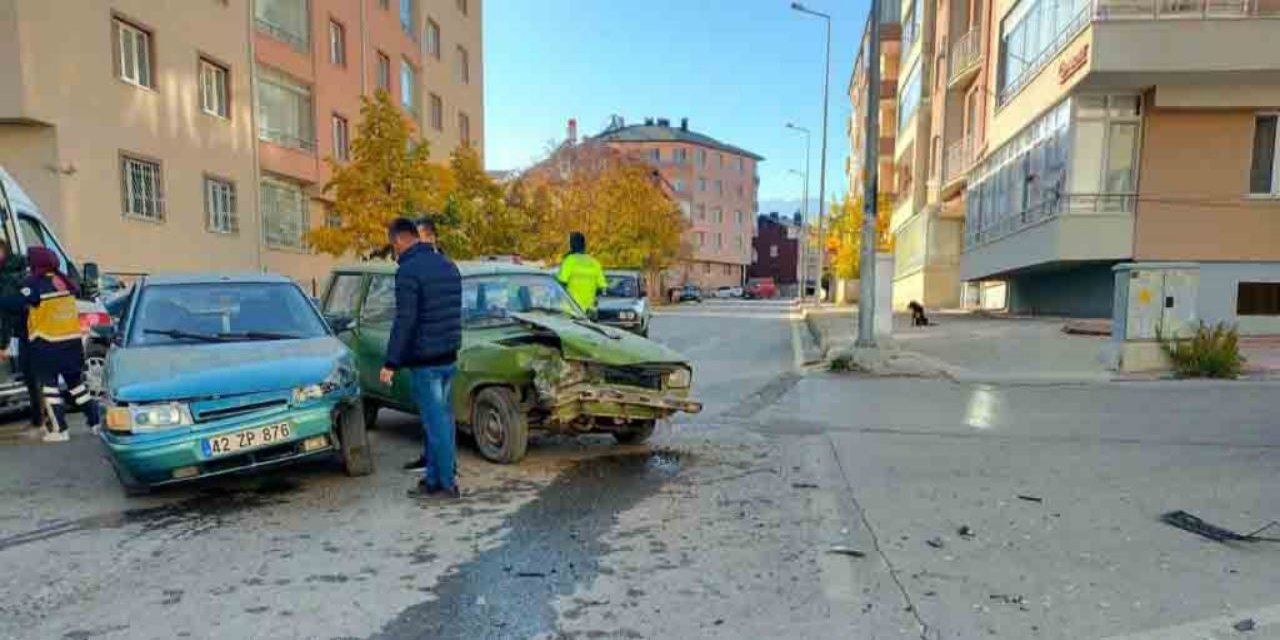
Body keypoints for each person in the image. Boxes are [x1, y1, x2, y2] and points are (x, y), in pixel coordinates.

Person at [380, 217, 463, 500]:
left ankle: (446, 484)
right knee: (443, 419)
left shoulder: (408, 272)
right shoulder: (449, 266)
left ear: (401, 240)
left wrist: (391, 362)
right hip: (449, 357)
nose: (395, 253)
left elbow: (406, 320)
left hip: (426, 361)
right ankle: (434, 478)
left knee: (434, 422)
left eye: (394, 246)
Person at [0, 247, 98, 442]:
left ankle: (59, 429)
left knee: (50, 388)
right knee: (76, 385)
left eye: (31, 261)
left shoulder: (35, 284)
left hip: (48, 343)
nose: (28, 265)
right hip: (71, 342)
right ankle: (95, 421)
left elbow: (14, 303)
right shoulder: (64, 282)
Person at [0, 243, 39, 429]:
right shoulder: (22, 272)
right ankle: (40, 419)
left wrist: (2, 343)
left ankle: (41, 420)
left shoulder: (11, 278)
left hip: (27, 332)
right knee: (33, 378)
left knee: (33, 377)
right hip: (27, 332)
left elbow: (6, 311)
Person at [555, 231, 607, 313]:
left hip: (570, 311)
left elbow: (560, 284)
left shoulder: (569, 261)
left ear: (572, 245)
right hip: (588, 311)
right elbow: (602, 288)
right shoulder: (594, 262)